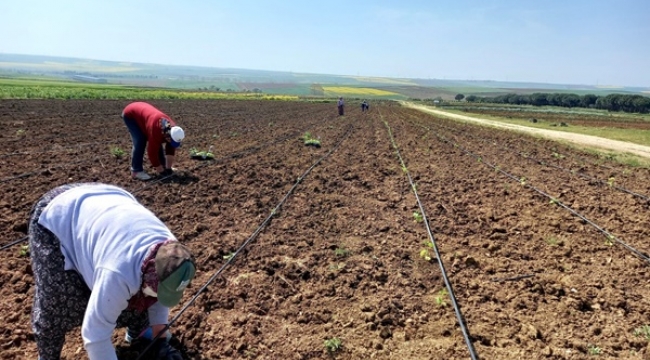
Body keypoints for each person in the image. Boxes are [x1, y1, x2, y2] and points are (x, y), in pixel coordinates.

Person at [28, 183, 196, 360]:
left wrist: (160, 341)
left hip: (108, 208)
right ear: (150, 272)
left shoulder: (174, 256)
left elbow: (160, 294)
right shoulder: (118, 272)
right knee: (60, 301)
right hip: (59, 214)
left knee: (139, 297)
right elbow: (95, 335)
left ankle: (138, 333)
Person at [122, 102, 185, 181]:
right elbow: (152, 152)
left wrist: (168, 168)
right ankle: (136, 171)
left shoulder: (173, 131)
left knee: (157, 141)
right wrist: (160, 171)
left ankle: (164, 165)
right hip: (131, 115)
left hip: (146, 115)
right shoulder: (157, 129)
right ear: (169, 136)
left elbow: (170, 148)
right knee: (140, 140)